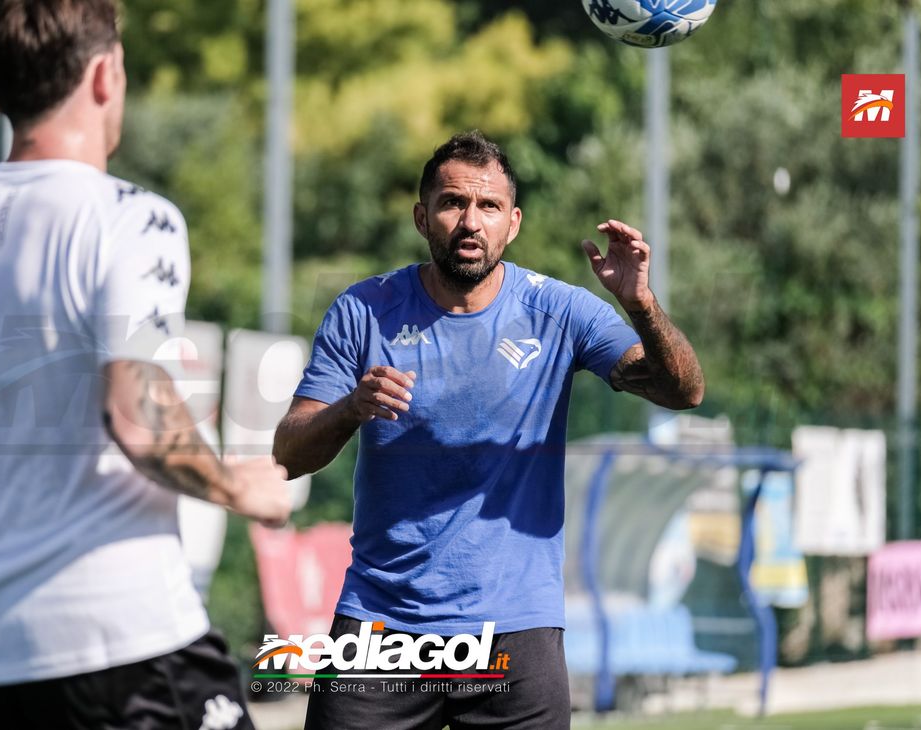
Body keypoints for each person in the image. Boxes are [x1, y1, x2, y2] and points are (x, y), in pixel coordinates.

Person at [0, 2, 290, 728]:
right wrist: (239, 486)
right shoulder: (133, 218)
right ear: (107, 74)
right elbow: (140, 417)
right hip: (122, 637)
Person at [273, 130, 704, 729]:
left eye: (489, 206)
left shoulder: (560, 312)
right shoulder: (363, 310)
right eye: (453, 203)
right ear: (422, 217)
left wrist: (641, 305)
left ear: (514, 222)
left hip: (516, 627)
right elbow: (288, 453)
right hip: (384, 621)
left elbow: (683, 391)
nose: (470, 221)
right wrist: (351, 406)